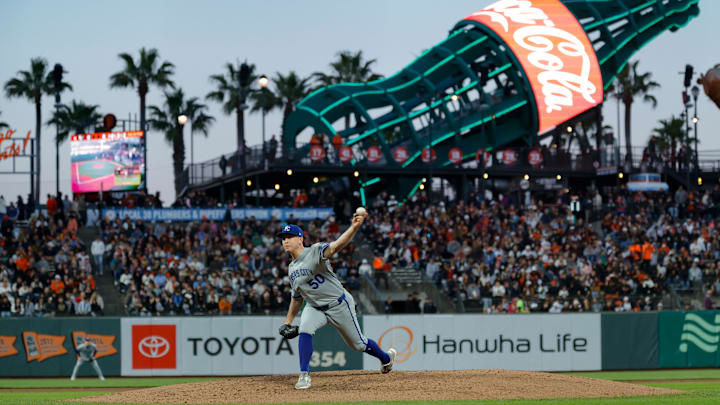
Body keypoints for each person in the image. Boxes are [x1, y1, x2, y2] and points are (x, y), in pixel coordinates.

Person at [277, 215, 396, 390]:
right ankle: (304, 375)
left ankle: (386, 358)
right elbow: (296, 298)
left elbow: (336, 245)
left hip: (339, 304)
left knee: (358, 345)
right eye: (283, 238)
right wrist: (287, 322)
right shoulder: (291, 268)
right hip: (314, 307)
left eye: (289, 237)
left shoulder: (314, 251)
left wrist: (354, 227)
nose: (285, 241)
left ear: (300, 238)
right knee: (305, 329)